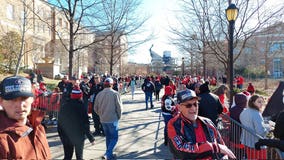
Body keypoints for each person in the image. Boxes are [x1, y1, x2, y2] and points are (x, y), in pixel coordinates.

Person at [167, 89, 236, 159]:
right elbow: (180, 150)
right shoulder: (174, 124)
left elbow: (222, 146)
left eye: (195, 104)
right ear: (179, 107)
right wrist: (213, 147)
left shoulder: (207, 122)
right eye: (188, 105)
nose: (193, 108)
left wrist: (224, 156)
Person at [0, 76, 51, 159]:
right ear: (1, 101)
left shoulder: (38, 128)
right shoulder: (2, 139)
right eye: (13, 99)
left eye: (24, 98)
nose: (20, 105)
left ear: (32, 99)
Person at [57, 84, 95, 160]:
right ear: (80, 96)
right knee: (79, 157)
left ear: (72, 95)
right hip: (79, 137)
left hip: (66, 136)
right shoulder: (82, 107)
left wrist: (61, 135)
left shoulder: (64, 106)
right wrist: (91, 137)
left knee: (67, 157)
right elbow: (85, 124)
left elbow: (60, 122)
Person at [94, 77, 123, 159]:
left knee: (108, 137)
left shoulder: (99, 94)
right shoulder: (115, 94)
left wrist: (100, 114)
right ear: (112, 84)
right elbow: (119, 107)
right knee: (114, 138)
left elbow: (95, 108)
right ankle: (107, 153)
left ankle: (109, 154)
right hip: (113, 119)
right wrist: (119, 116)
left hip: (103, 119)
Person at [240, 95, 269, 159]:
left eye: (262, 102)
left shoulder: (244, 111)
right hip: (257, 144)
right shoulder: (256, 114)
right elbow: (261, 132)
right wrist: (269, 127)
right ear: (253, 102)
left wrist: (265, 125)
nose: (261, 104)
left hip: (247, 142)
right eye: (259, 102)